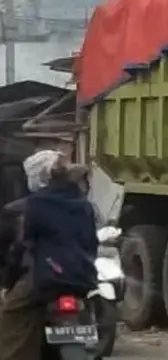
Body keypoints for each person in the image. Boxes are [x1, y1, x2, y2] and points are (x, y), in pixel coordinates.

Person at [0, 150, 98, 360]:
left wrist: (8, 281)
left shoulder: (35, 205)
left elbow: (23, 246)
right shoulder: (85, 205)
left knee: (12, 315)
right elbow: (92, 243)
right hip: (83, 277)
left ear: (40, 176)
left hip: (47, 278)